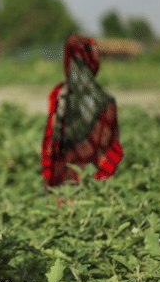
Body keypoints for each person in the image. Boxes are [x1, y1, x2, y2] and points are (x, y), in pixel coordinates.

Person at [41, 33, 125, 189]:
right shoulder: (106, 101)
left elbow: (50, 145)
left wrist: (48, 181)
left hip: (64, 187)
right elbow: (112, 149)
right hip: (96, 187)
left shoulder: (59, 95)